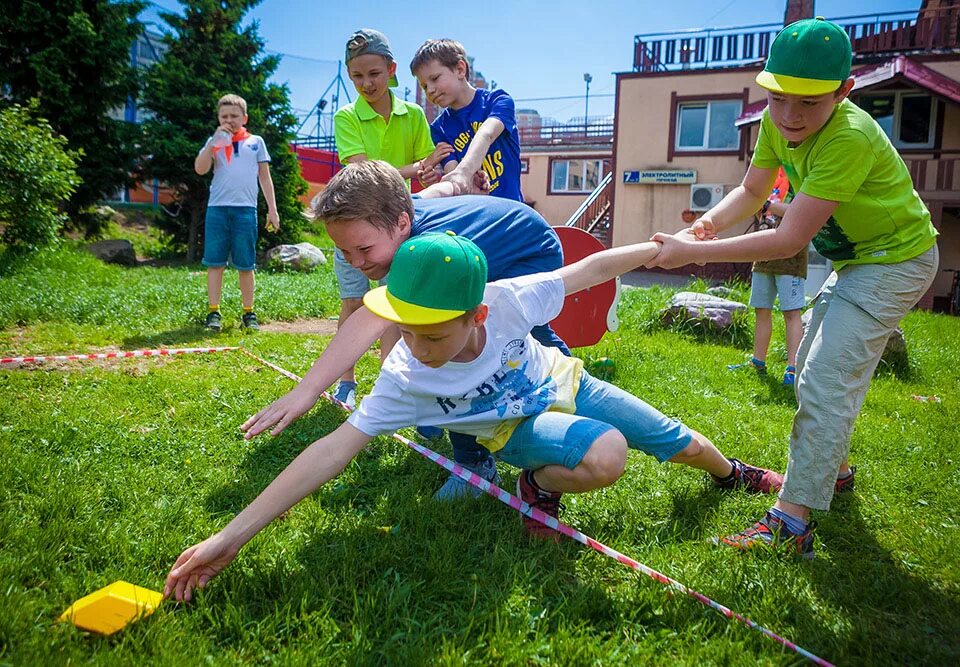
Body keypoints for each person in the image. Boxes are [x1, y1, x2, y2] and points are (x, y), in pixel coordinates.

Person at [164, 232, 784, 601]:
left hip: (565, 382)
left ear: (477, 315)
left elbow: (589, 270)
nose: (412, 346)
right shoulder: (404, 379)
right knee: (608, 454)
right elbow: (330, 452)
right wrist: (228, 539)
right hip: (515, 429)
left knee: (676, 440)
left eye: (431, 334)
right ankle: (535, 484)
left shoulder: (508, 301)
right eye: (404, 329)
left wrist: (663, 250)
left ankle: (732, 474)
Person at [646, 18, 939, 558]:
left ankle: (791, 522)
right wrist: (705, 226)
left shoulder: (848, 136)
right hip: (857, 259)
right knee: (806, 364)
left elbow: (788, 240)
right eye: (778, 98)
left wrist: (695, 254)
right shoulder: (778, 122)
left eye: (808, 102)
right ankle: (837, 472)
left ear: (844, 91)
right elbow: (753, 189)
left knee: (825, 379)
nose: (789, 115)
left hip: (897, 261)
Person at [242, 160, 572, 502]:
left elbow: (370, 319)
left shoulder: (426, 248)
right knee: (455, 342)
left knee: (465, 347)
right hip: (506, 237)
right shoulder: (397, 220)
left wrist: (307, 391)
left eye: (364, 250)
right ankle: (452, 415)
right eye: (344, 252)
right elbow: (437, 193)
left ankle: (476, 461)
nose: (356, 263)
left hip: (528, 253)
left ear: (402, 223)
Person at [331, 28, 452, 409]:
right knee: (353, 303)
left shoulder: (414, 115)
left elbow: (427, 166)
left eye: (374, 74)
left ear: (391, 70)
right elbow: (363, 172)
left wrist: (428, 172)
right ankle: (346, 381)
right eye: (357, 76)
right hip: (354, 226)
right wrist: (416, 168)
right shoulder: (346, 116)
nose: (366, 83)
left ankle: (388, 384)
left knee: (394, 306)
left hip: (397, 229)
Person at [194, 93, 279, 332]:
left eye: (234, 115)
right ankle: (213, 312)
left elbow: (265, 176)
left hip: (245, 210)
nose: (229, 120)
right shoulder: (215, 141)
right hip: (217, 210)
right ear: (218, 118)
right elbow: (200, 169)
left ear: (245, 118)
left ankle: (248, 313)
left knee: (246, 264)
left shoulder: (256, 142)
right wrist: (213, 143)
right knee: (215, 263)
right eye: (224, 116)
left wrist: (272, 209)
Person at [410, 39, 522, 200]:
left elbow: (486, 134)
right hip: (474, 215)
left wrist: (464, 172)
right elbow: (455, 177)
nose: (430, 90)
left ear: (460, 69)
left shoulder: (498, 101)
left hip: (511, 212)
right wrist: (439, 181)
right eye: (424, 86)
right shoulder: (439, 129)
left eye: (435, 78)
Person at [727, 169, 805, 386]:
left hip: (791, 258)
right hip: (762, 256)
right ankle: (758, 362)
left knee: (791, 312)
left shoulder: (801, 179)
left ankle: (793, 369)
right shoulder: (770, 179)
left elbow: (800, 213)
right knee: (762, 309)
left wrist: (768, 205)